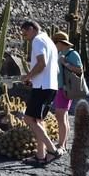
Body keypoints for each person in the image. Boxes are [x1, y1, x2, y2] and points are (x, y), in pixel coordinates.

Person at [19, 20, 60, 166]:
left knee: (28, 119)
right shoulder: (49, 41)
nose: (25, 37)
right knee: (38, 120)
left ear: (31, 29)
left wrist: (28, 76)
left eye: (25, 33)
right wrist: (34, 79)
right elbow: (52, 67)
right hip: (50, 86)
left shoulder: (37, 40)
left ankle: (52, 150)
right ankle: (40, 156)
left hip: (42, 88)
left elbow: (41, 64)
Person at [52, 32, 83, 156]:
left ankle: (62, 145)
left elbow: (80, 70)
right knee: (63, 116)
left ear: (60, 43)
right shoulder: (61, 54)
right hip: (60, 88)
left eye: (55, 43)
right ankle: (63, 143)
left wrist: (65, 63)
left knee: (60, 115)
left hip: (65, 89)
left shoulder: (72, 54)